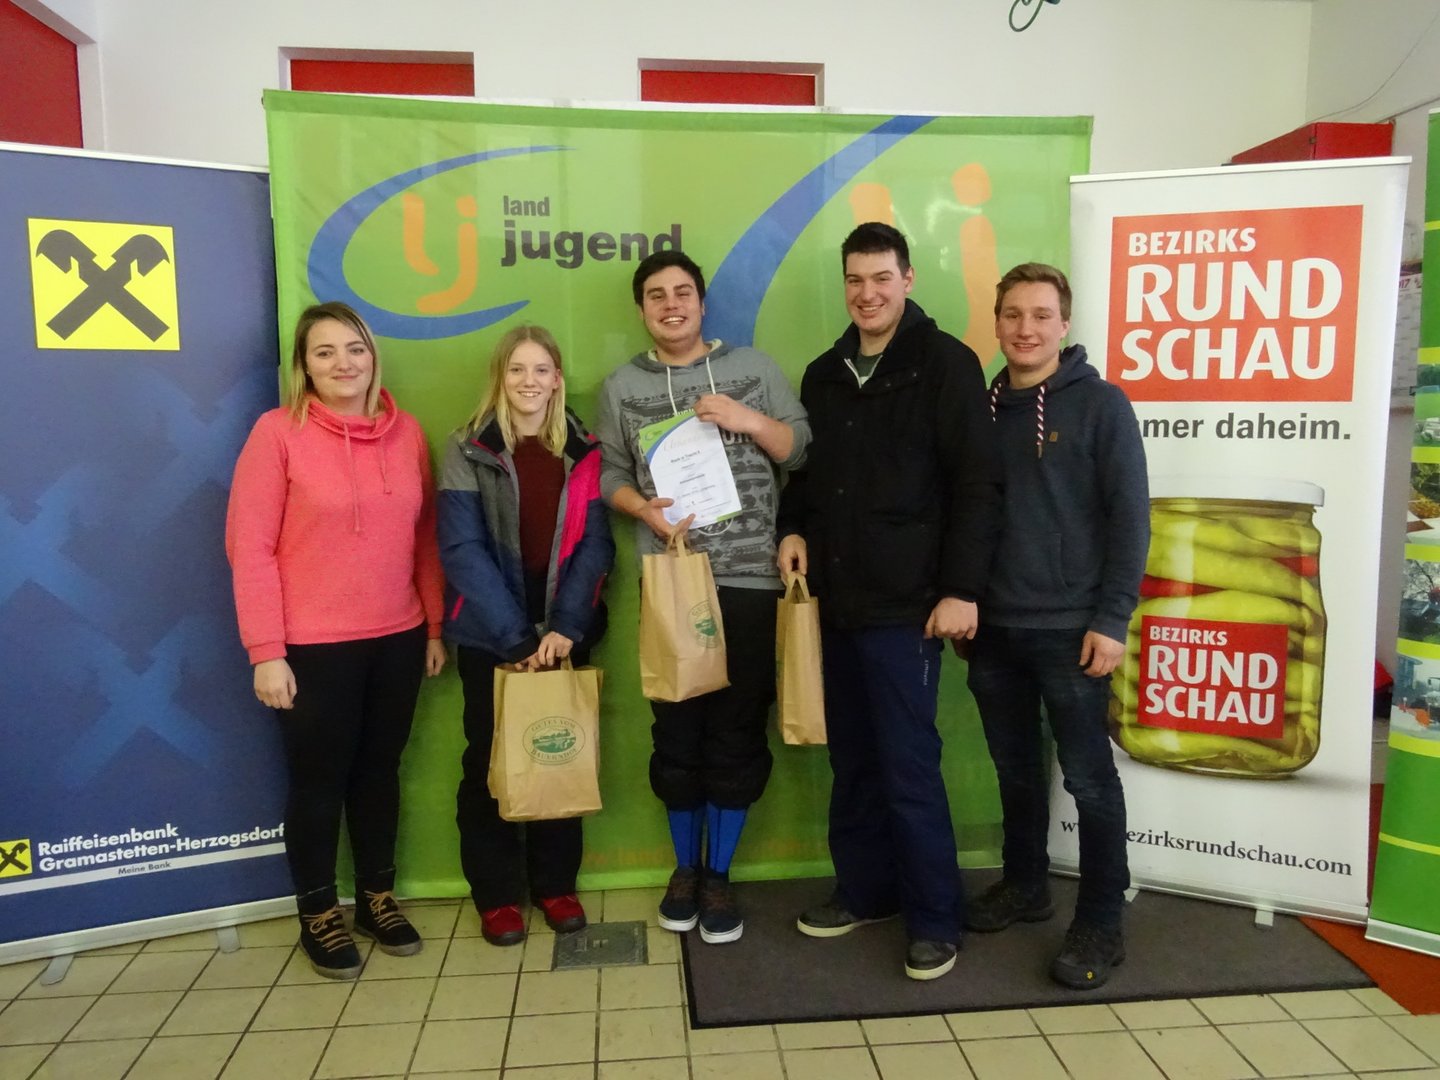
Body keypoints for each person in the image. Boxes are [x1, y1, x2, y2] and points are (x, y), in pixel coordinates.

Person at [778, 222, 1000, 981]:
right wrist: (792, 528)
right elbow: (807, 474)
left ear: (907, 279)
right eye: (854, 280)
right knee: (853, 761)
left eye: (881, 278)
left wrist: (962, 589)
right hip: (837, 602)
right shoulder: (824, 373)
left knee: (908, 765)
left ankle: (935, 919)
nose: (866, 293)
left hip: (910, 607)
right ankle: (865, 892)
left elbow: (978, 485)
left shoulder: (946, 364)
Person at [226, 301, 446, 980]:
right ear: (304, 366)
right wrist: (267, 651)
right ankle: (319, 911)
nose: (343, 363)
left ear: (373, 356)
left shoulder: (408, 433)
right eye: (324, 352)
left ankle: (377, 898)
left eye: (354, 349)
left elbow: (424, 536)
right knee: (318, 783)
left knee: (379, 774)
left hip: (399, 637)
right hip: (312, 648)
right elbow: (250, 547)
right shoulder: (276, 434)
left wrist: (435, 624)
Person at [594, 250, 809, 945]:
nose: (671, 304)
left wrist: (748, 419)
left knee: (737, 732)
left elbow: (800, 449)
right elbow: (608, 473)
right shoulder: (621, 386)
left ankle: (719, 875)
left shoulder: (754, 368)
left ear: (702, 302)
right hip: (671, 580)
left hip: (750, 579)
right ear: (641, 309)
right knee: (678, 735)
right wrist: (641, 510)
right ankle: (684, 870)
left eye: (682, 292)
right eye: (656, 295)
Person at [964, 262, 1148, 990]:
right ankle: (1025, 884)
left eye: (1041, 315)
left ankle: (1101, 921)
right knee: (1014, 770)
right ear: (997, 321)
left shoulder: (1102, 404)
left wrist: (1113, 618)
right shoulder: (979, 409)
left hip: (1073, 631)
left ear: (1064, 324)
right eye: (1013, 314)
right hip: (992, 630)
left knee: (1090, 781)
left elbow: (1130, 517)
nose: (1026, 329)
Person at [437, 324, 614, 947]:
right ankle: (496, 895)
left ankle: (555, 885)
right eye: (517, 369)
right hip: (493, 638)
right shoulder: (467, 447)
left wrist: (565, 627)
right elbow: (461, 550)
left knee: (558, 754)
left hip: (564, 634)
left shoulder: (584, 449)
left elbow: (596, 544)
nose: (529, 381)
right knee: (489, 761)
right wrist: (515, 639)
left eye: (541, 369)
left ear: (558, 379)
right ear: (500, 377)